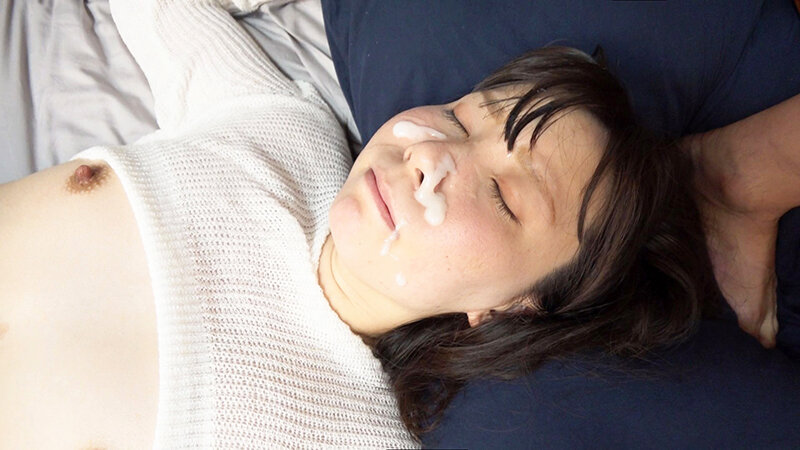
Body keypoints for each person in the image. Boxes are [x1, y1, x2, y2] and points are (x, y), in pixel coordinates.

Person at [0, 0, 787, 447]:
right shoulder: (283, 133)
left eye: (503, 196)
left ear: (510, 308)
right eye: (463, 116)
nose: (432, 156)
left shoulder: (352, 434)